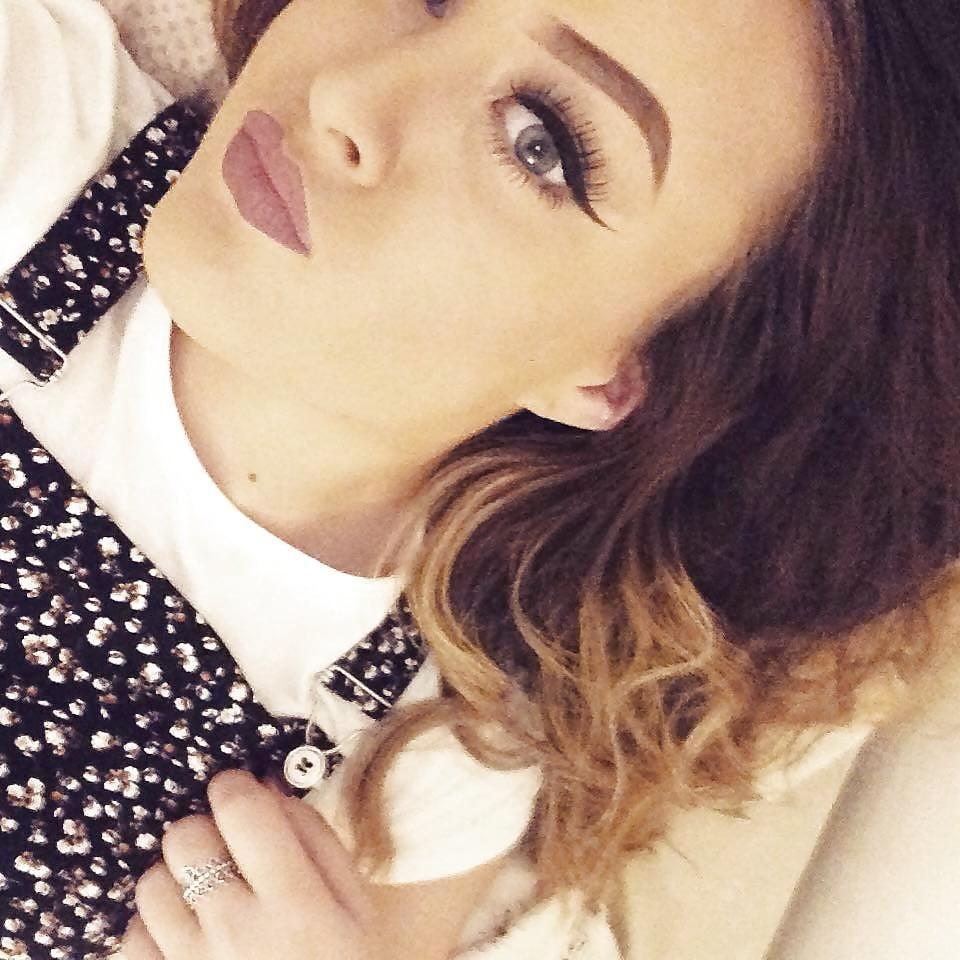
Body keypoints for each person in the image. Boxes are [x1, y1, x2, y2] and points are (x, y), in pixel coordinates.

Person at [0, 1, 957, 959]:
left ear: (622, 374)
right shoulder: (30, 108)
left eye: (542, 144)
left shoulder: (435, 753)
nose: (347, 92)